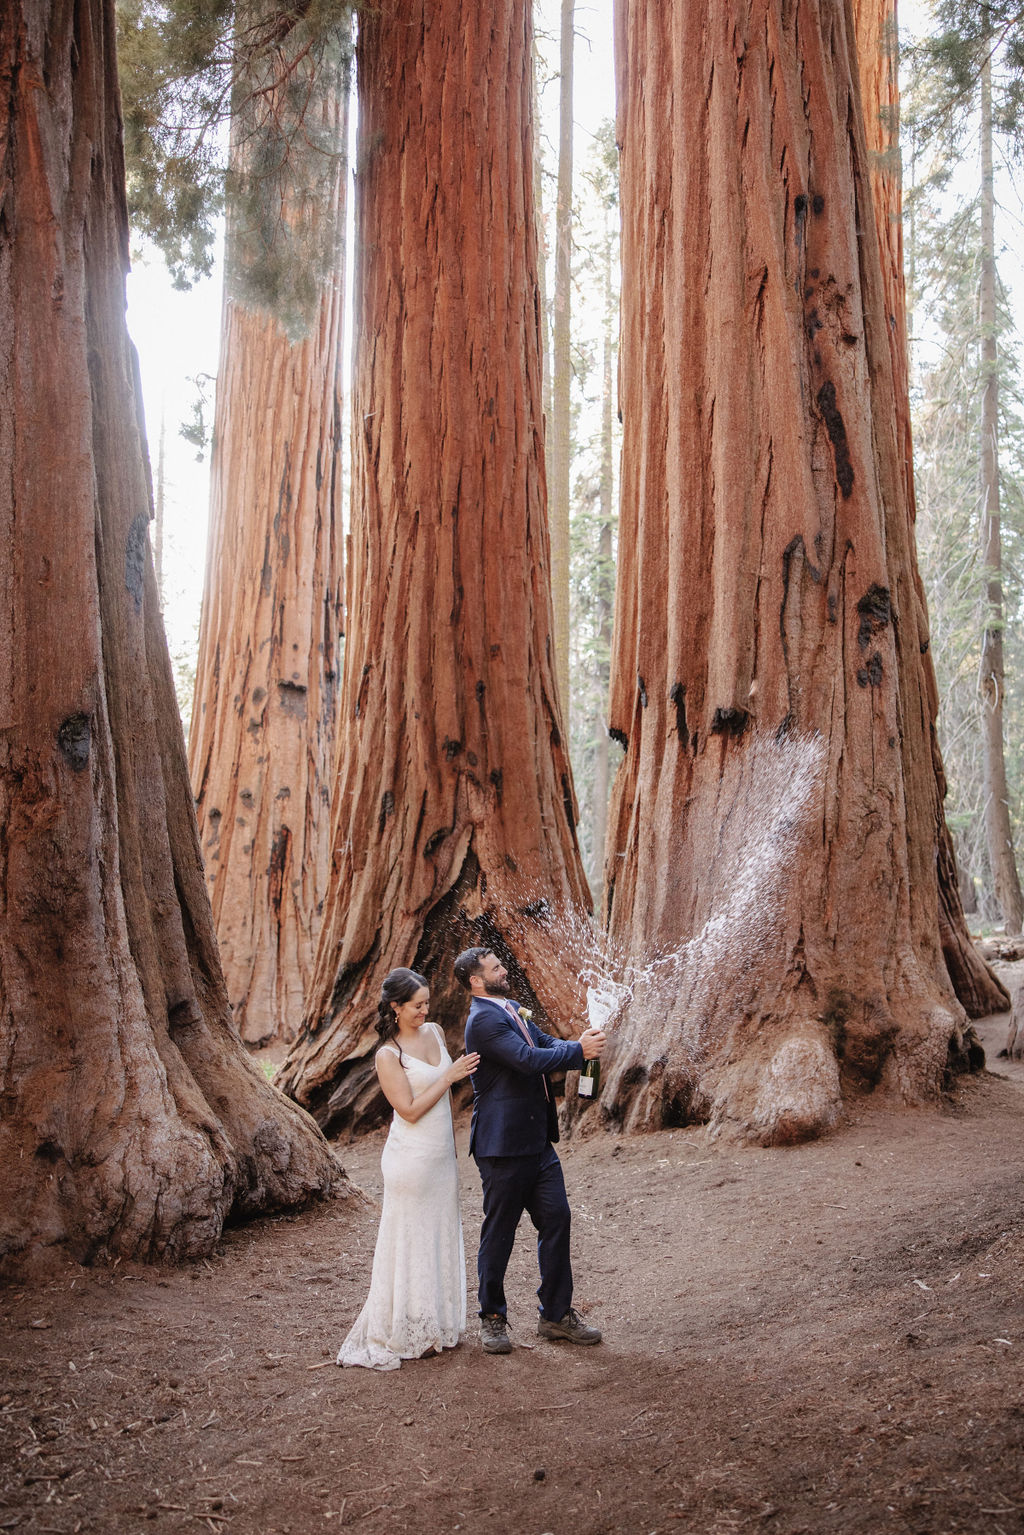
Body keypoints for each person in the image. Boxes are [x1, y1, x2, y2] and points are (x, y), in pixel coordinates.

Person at [454, 945, 606, 1355]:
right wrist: (578, 1054)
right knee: (499, 1232)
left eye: (501, 965)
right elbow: (525, 1059)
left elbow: (541, 1042)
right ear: (475, 980)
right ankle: (492, 1318)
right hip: (502, 1148)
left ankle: (556, 1316)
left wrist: (578, 1043)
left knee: (557, 1219)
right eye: (495, 967)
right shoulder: (482, 1021)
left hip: (538, 1144)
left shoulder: (511, 1007)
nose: (504, 970)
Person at [337, 968, 479, 1371]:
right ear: (395, 1008)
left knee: (438, 1236)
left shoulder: (434, 1032)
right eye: (417, 1005)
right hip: (410, 1161)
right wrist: (450, 1077)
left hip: (439, 1160)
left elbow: (440, 1104)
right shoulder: (388, 1055)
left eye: (426, 1004)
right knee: (412, 1242)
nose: (424, 1011)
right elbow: (410, 1110)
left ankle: (436, 1325)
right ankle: (405, 1328)